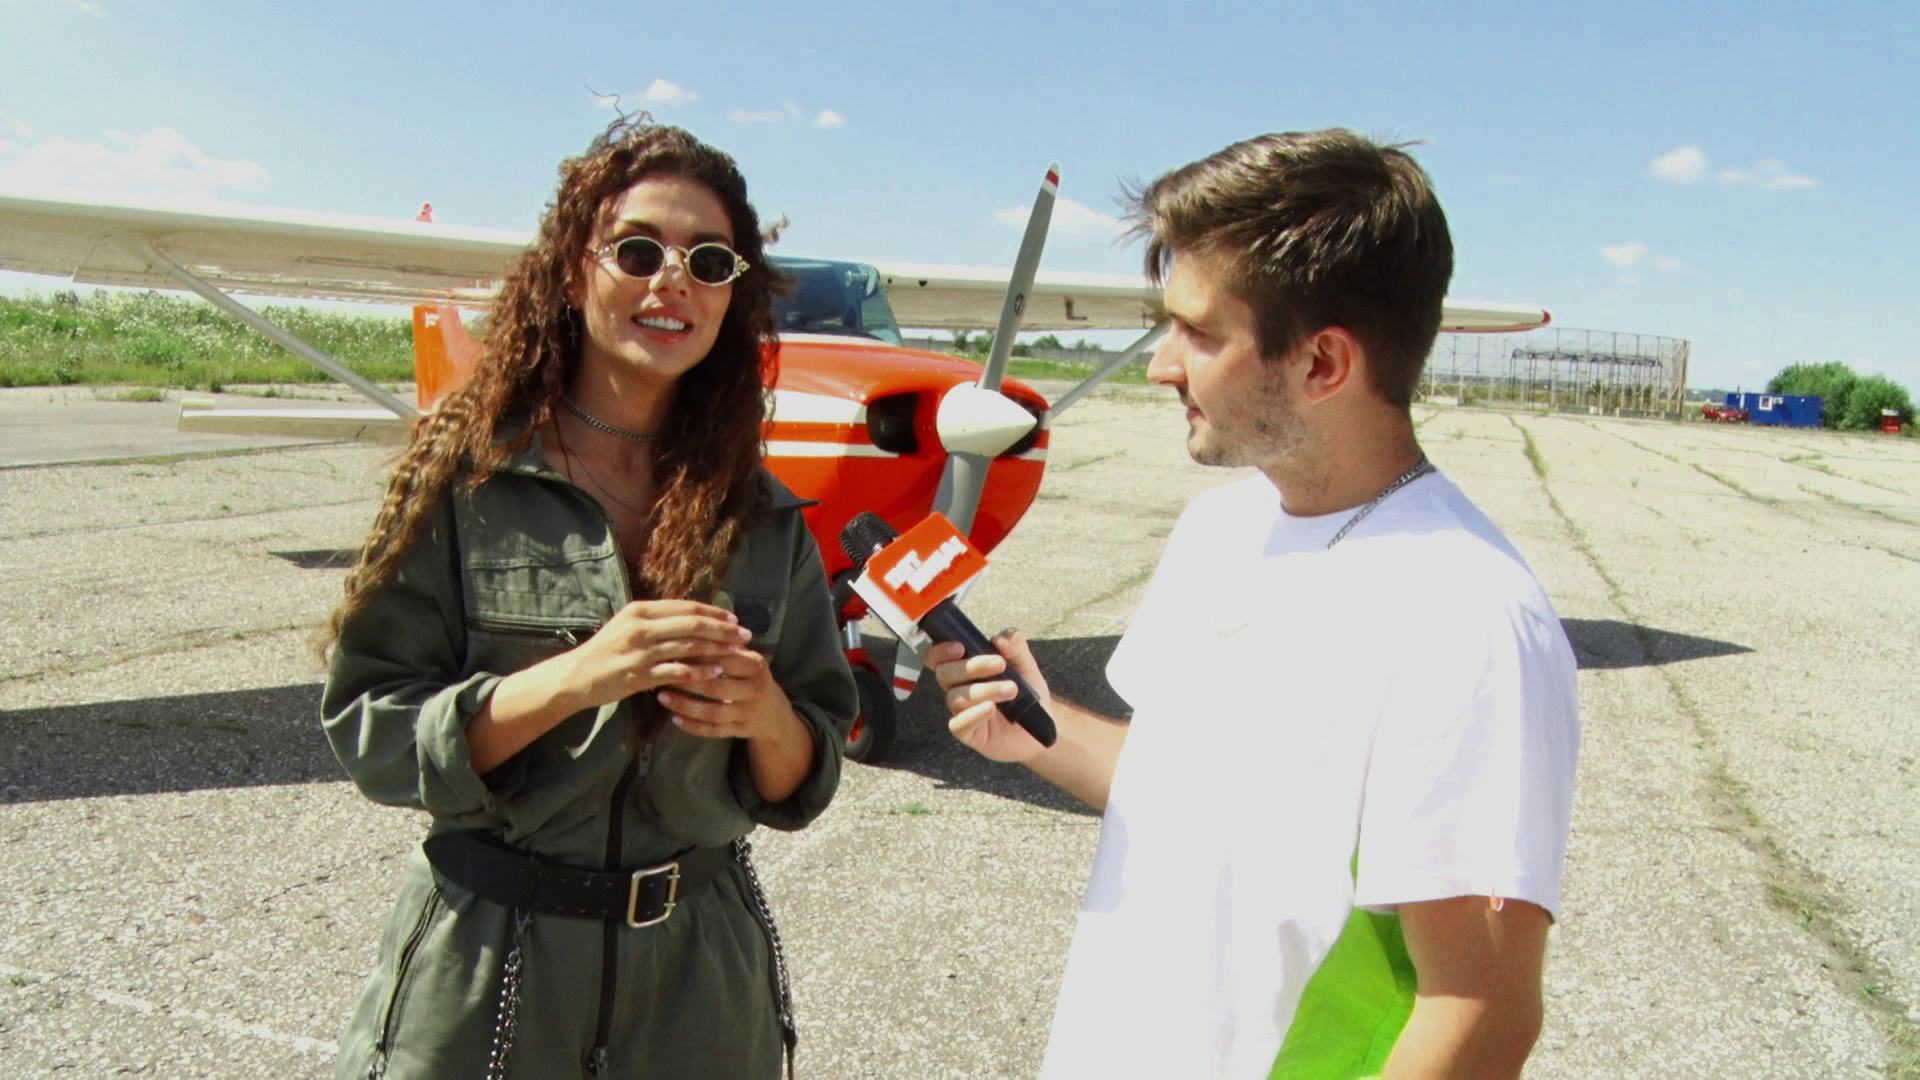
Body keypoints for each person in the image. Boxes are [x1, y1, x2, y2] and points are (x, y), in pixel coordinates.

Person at [931, 130, 1582, 1079]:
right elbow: (1183, 792)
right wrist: (1038, 729)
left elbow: (1480, 1016)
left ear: (1322, 364)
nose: (1161, 366)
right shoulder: (1218, 528)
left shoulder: (1469, 618)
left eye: (1199, 333)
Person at [320, 114, 856, 1080]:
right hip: (490, 961)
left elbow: (806, 768)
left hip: (698, 978)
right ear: (574, 272)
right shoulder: (468, 483)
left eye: (709, 261)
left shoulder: (762, 516)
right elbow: (375, 732)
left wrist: (767, 715)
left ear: (732, 296)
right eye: (639, 250)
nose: (672, 280)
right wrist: (576, 679)